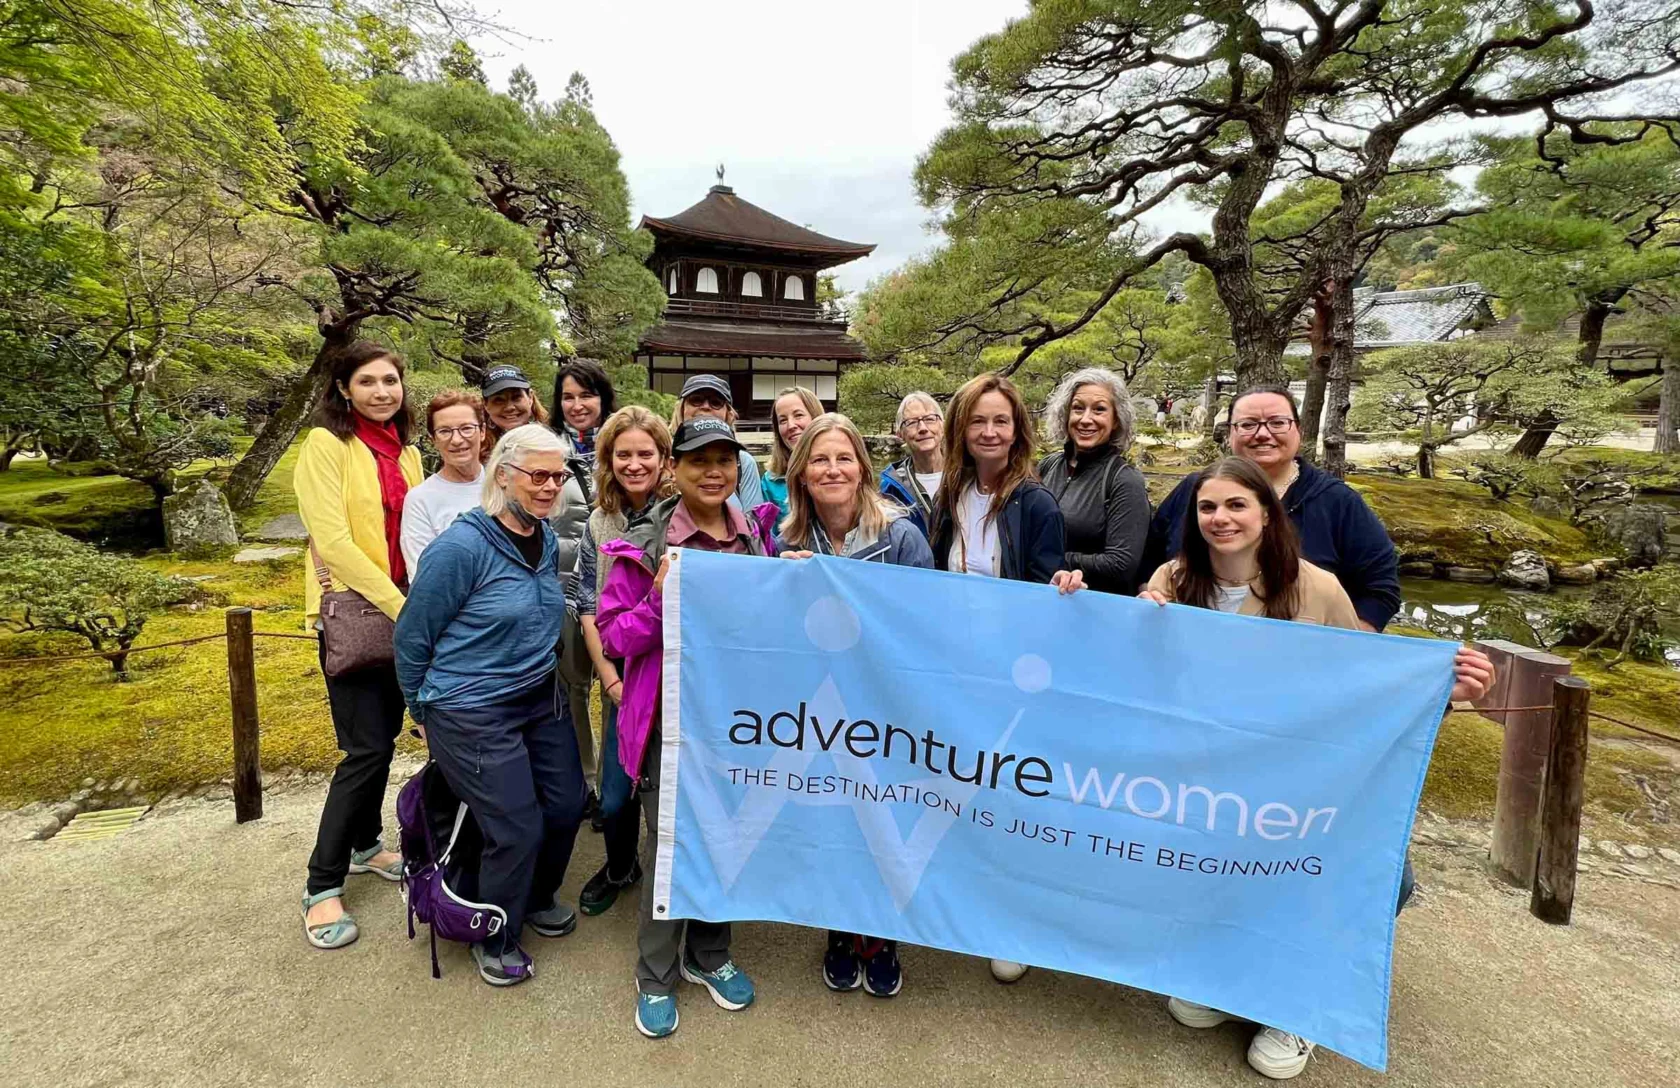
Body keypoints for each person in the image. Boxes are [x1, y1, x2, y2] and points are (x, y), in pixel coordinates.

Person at [1139, 456, 1495, 1081]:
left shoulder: (1318, 588)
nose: (1220, 518)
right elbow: (1132, 669)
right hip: (1214, 772)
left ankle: (1296, 1001)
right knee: (1230, 868)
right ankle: (1228, 977)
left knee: (1375, 877)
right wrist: (1084, 609)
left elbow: (1368, 686)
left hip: (1305, 772)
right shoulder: (1170, 578)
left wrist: (1444, 690)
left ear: (1267, 513)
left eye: (1236, 505)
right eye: (1207, 507)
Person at [596, 417, 776, 1039]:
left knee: (723, 838)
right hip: (666, 725)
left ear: (737, 470)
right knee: (668, 848)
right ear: (676, 468)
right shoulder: (644, 544)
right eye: (699, 460)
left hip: (734, 721)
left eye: (725, 460)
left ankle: (709, 956)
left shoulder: (753, 537)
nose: (712, 472)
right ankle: (654, 973)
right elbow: (615, 634)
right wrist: (657, 601)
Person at [393, 424, 587, 987]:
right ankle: (494, 931)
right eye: (539, 475)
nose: (551, 486)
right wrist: (421, 712)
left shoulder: (544, 537)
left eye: (559, 474)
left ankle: (534, 896)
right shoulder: (460, 548)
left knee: (568, 801)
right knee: (515, 826)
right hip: (470, 706)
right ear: (503, 475)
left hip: (537, 693)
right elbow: (412, 637)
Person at [925, 371, 1085, 984]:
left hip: (1011, 673)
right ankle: (966, 899)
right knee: (964, 785)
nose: (990, 432)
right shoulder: (949, 493)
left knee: (1012, 792)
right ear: (960, 430)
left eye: (1001, 421)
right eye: (977, 421)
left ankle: (1012, 921)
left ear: (1016, 429)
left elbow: (1046, 586)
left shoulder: (1035, 502)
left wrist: (1067, 584)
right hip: (955, 666)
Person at [773, 413, 932, 997]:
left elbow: (922, 624)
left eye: (843, 458)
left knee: (883, 820)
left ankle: (882, 933)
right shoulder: (785, 540)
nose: (832, 469)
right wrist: (782, 585)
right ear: (802, 473)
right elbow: (771, 632)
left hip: (884, 706)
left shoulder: (901, 534)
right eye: (819, 459)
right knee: (834, 819)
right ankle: (839, 929)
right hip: (817, 706)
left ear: (863, 467)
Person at [295, 341, 424, 951]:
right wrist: (402, 605)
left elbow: (419, 535)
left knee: (386, 736)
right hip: (356, 612)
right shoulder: (326, 445)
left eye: (390, 380)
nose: (381, 391)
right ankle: (322, 883)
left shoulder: (409, 452)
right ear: (343, 388)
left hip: (406, 609)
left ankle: (366, 846)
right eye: (367, 381)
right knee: (363, 750)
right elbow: (334, 540)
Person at [1144, 384, 1402, 632]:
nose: (1263, 434)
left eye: (1277, 423)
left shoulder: (1337, 502)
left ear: (1298, 430)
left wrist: (1337, 642)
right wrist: (1154, 612)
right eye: (1247, 424)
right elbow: (1147, 562)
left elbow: (1379, 589)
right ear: (1230, 433)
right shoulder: (1194, 490)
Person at [569, 406, 675, 915]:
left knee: (668, 789)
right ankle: (619, 866)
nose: (634, 464)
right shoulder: (599, 522)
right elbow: (589, 609)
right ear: (608, 459)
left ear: (664, 458)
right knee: (614, 797)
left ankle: (671, 878)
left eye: (645, 453)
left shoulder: (684, 511)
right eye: (623, 454)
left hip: (673, 674)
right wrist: (609, 681)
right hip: (622, 676)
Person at [479, 362, 599, 808]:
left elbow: (581, 521)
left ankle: (586, 780)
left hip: (563, 588)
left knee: (575, 688)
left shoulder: (561, 451)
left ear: (531, 398)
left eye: (517, 396)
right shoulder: (477, 450)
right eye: (499, 399)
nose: (510, 406)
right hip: (501, 596)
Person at [553, 357, 617, 827]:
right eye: (568, 396)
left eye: (586, 395)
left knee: (615, 686)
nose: (577, 405)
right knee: (573, 686)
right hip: (562, 584)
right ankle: (586, 780)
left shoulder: (621, 444)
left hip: (618, 585)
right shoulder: (546, 447)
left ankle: (619, 782)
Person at [1037, 367, 1152, 595]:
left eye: (1099, 410)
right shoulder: (1048, 466)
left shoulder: (1124, 480)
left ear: (1116, 420)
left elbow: (1121, 563)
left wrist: (1050, 558)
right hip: (1044, 600)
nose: (1085, 419)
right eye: (1078, 408)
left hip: (1094, 608)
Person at [400, 390, 487, 574]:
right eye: (444, 431)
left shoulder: (506, 487)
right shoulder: (421, 500)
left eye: (466, 428)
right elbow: (423, 576)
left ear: (483, 431)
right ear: (433, 440)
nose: (456, 440)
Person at [668, 373, 765, 508]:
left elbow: (754, 521)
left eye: (716, 403)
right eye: (696, 400)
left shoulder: (743, 462)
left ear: (728, 413)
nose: (706, 406)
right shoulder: (661, 456)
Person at [879, 391, 944, 537]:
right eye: (912, 422)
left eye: (930, 419)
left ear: (943, 426)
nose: (922, 428)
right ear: (900, 434)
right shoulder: (890, 487)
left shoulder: (965, 476)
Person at [761, 386, 822, 519]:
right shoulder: (771, 480)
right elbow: (767, 534)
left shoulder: (839, 469)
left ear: (816, 417)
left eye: (798, 415)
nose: (791, 426)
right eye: (783, 420)